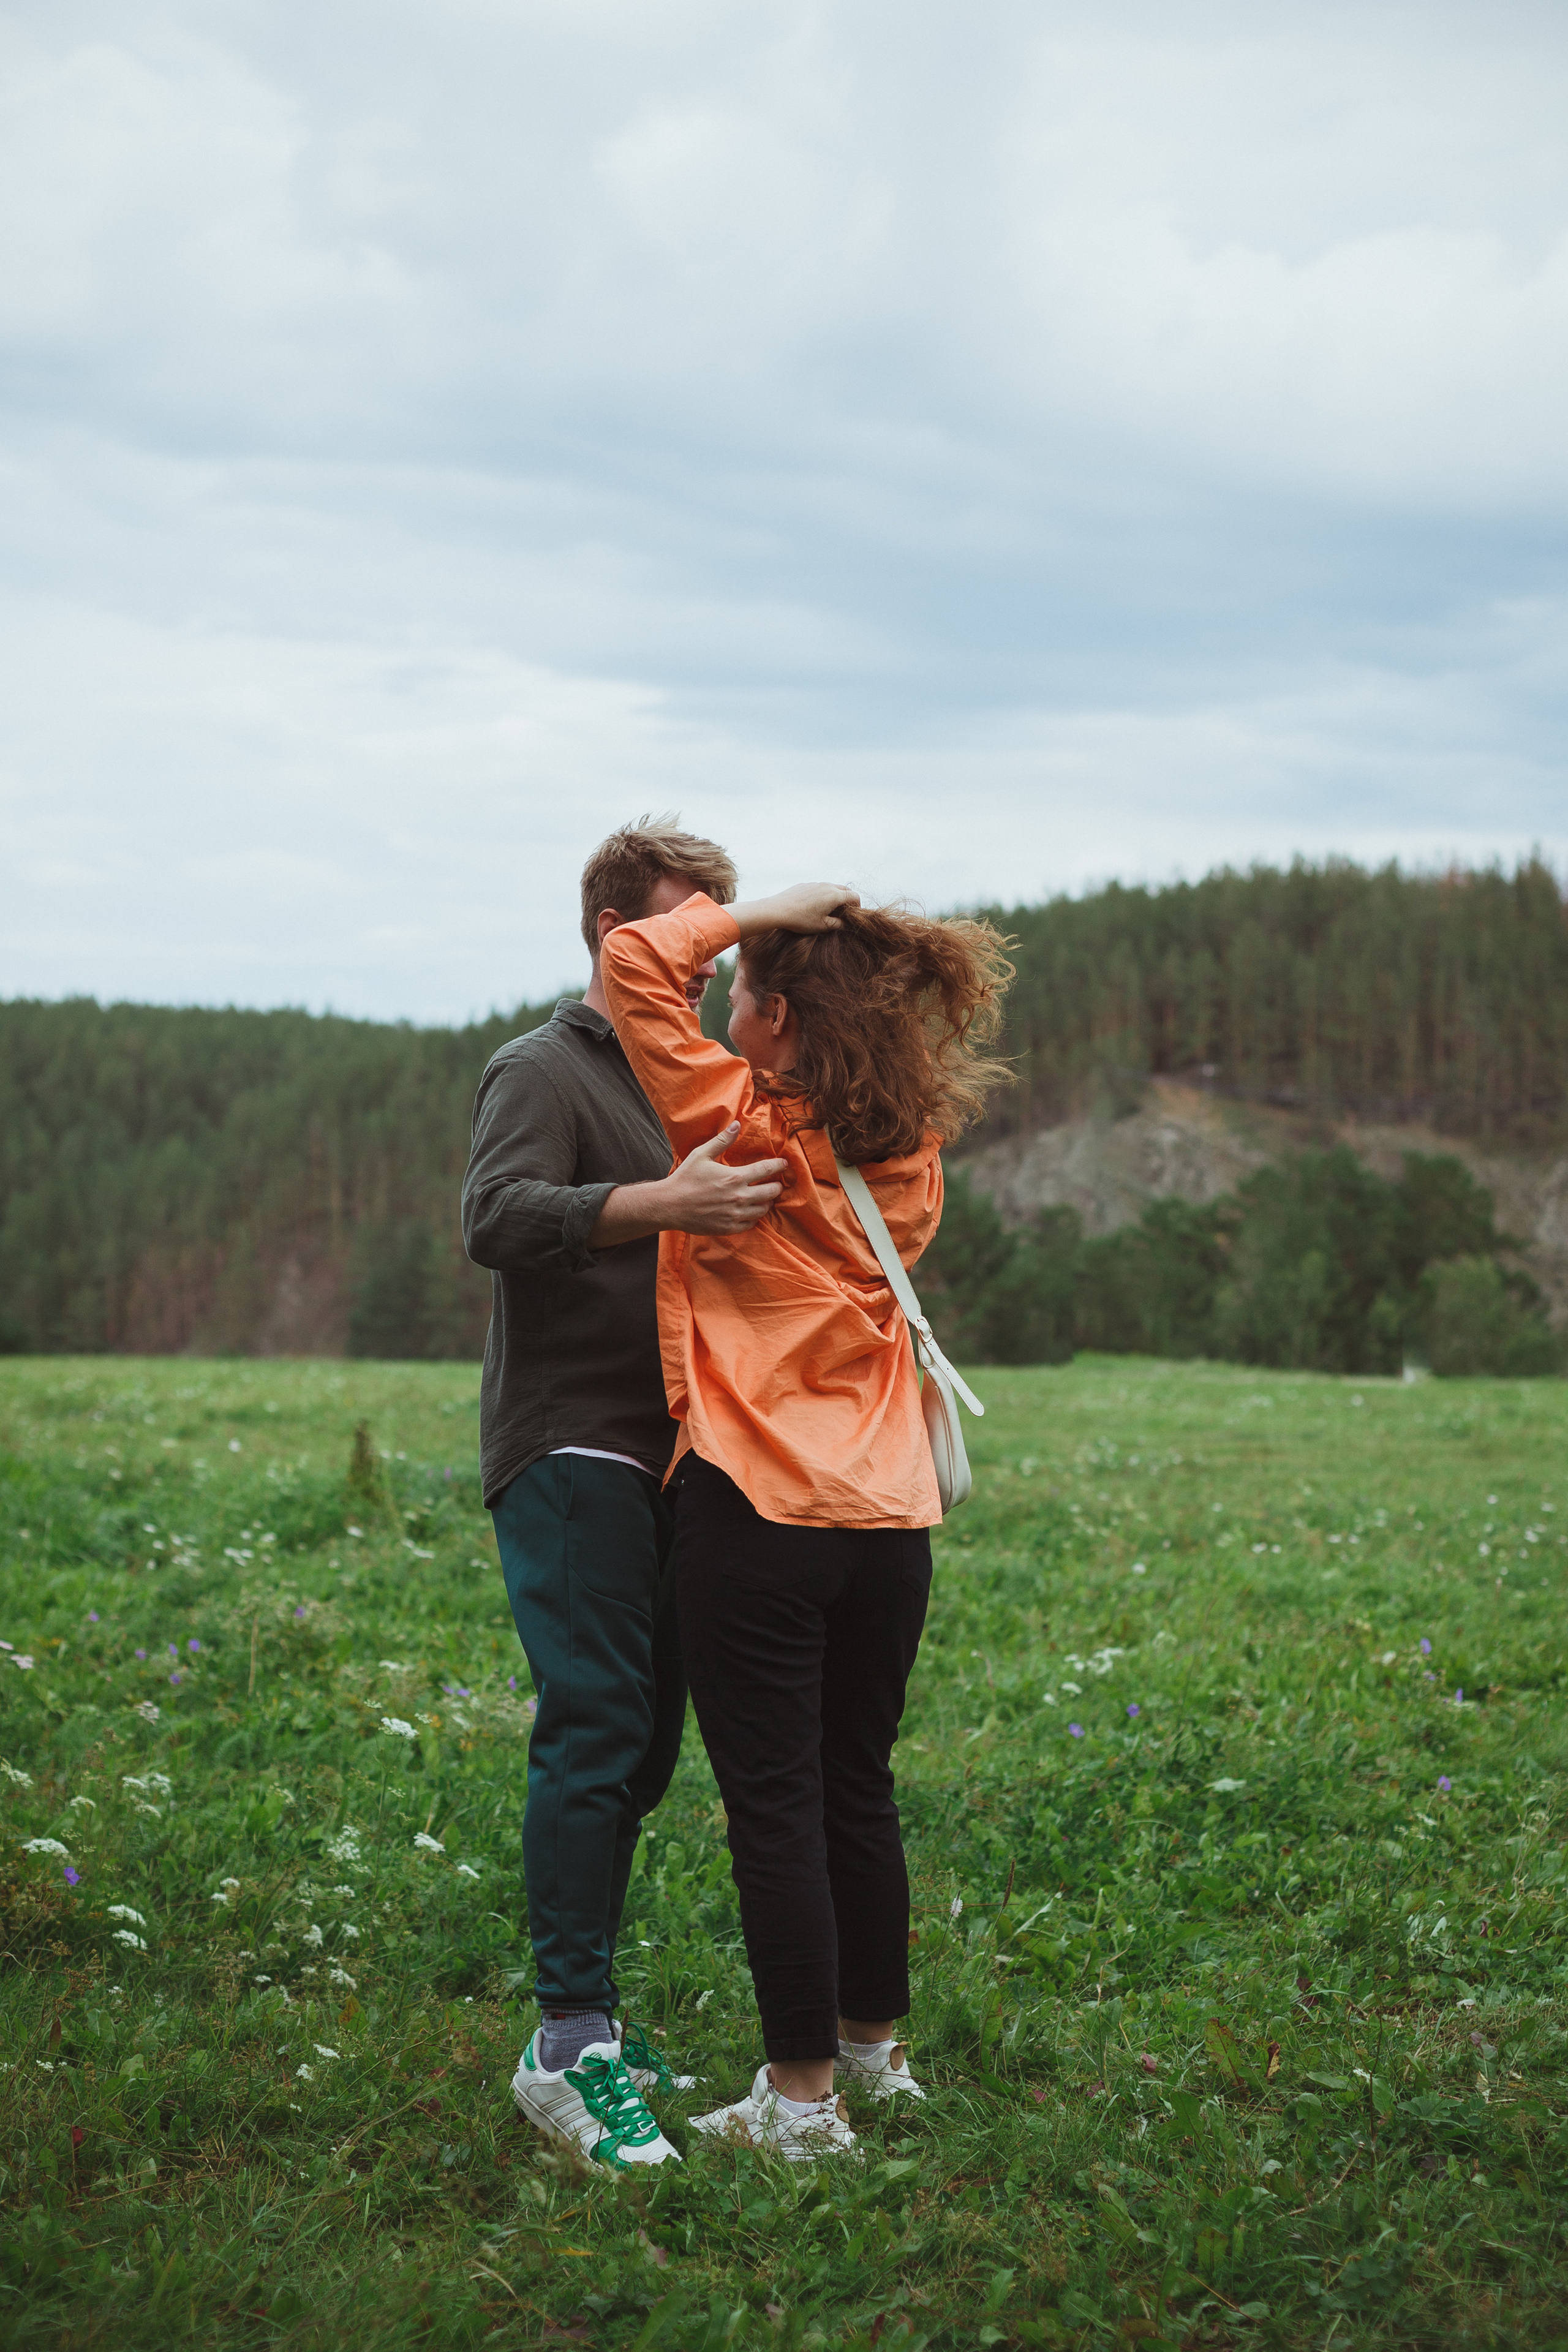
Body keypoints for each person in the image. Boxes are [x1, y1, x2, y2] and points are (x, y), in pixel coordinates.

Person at [601, 880, 1011, 2157]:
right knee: (855, 1790)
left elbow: (630, 963)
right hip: (887, 1523)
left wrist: (748, 907)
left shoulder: (736, 1125)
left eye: (741, 999)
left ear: (778, 1022)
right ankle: (873, 2058)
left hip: (757, 1506)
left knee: (771, 1806)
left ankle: (796, 2105)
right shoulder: (910, 1156)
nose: (723, 1009)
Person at [462, 819, 790, 2169]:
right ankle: (567, 2042)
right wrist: (660, 1202)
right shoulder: (538, 1067)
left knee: (646, 1743)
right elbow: (493, 1217)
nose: (709, 962)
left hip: (687, 1445)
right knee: (597, 1724)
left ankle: (592, 2014)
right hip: (571, 1437)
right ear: (620, 939)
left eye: (723, 935)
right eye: (687, 932)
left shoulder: (699, 1072)